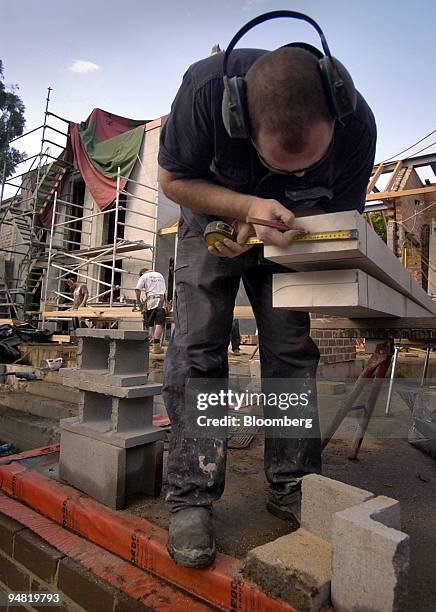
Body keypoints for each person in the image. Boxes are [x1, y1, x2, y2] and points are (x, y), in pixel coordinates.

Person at [158, 11, 376, 568]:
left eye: (311, 163)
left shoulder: (356, 125)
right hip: (213, 217)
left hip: (292, 235)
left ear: (336, 106)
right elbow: (173, 180)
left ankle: (293, 482)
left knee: (290, 350)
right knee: (200, 349)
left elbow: (341, 212)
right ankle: (193, 494)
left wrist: (288, 230)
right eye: (285, 164)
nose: (300, 175)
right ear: (242, 122)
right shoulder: (206, 93)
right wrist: (243, 214)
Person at [134, 267, 167, 354]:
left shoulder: (143, 276)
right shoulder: (160, 275)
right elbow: (163, 290)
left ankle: (151, 344)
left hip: (151, 300)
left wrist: (138, 302)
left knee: (150, 323)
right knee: (159, 322)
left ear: (142, 273)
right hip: (162, 300)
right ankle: (156, 346)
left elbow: (137, 290)